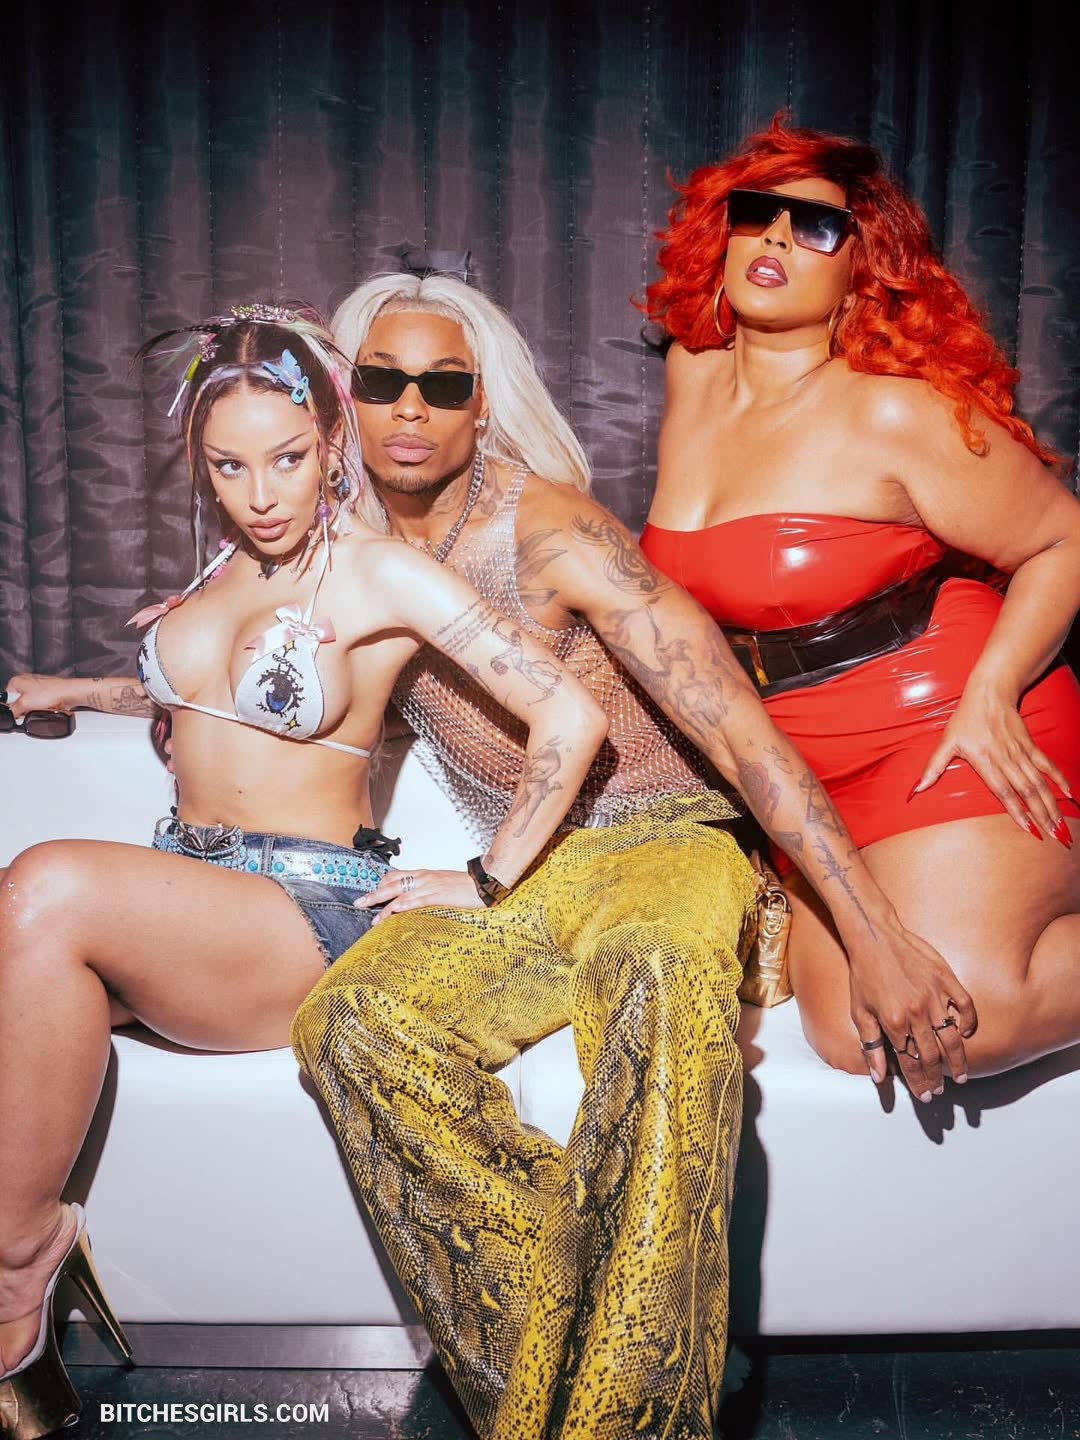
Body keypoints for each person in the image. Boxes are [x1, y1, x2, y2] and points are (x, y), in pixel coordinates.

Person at [285, 273, 978, 1440]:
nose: (409, 408)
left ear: (479, 406)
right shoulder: (349, 556)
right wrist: (116, 685)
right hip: (528, 873)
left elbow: (736, 729)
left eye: (441, 385)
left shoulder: (552, 532)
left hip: (672, 839)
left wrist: (875, 931)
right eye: (382, 380)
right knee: (348, 1022)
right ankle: (595, 1366)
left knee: (654, 979)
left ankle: (635, 1422)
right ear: (346, 397)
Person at [0, 303, 609, 1440]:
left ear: (332, 442)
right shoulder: (220, 576)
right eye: (228, 467)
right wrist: (75, 692)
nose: (261, 494)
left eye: (286, 459)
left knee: (43, 882)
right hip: (190, 894)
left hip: (302, 910)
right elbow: (209, 706)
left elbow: (569, 718)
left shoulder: (380, 576)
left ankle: (16, 1268)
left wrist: (487, 876)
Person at [640, 116, 1080, 1080]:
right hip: (794, 761)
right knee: (850, 1036)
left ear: (860, 272)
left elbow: (1064, 538)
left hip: (939, 723)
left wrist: (994, 691)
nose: (776, 237)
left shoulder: (893, 409)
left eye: (816, 227)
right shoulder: (691, 374)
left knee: (960, 1019)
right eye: (757, 213)